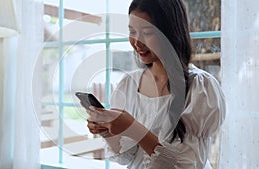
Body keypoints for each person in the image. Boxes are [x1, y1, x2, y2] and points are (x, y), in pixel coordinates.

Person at [84, 0, 226, 168]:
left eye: (147, 32)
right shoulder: (129, 85)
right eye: (132, 31)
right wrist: (108, 131)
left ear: (170, 32)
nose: (137, 42)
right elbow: (126, 157)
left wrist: (133, 128)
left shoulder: (200, 87)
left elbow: (187, 165)